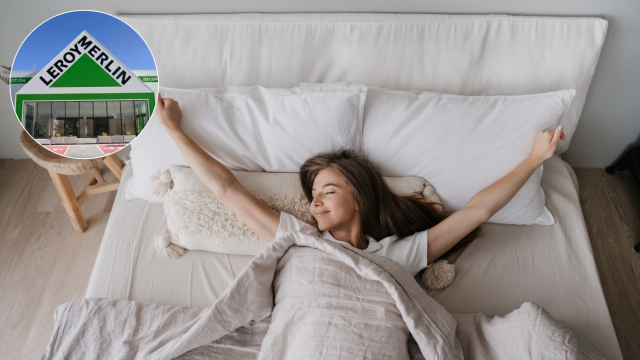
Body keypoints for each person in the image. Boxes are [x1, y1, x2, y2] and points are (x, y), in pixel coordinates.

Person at [155, 93, 566, 277]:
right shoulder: (297, 238)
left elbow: (478, 211)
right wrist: (174, 132)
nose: (314, 205)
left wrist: (534, 159)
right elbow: (227, 190)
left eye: (327, 191)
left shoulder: (400, 255)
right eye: (313, 196)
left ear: (360, 196)